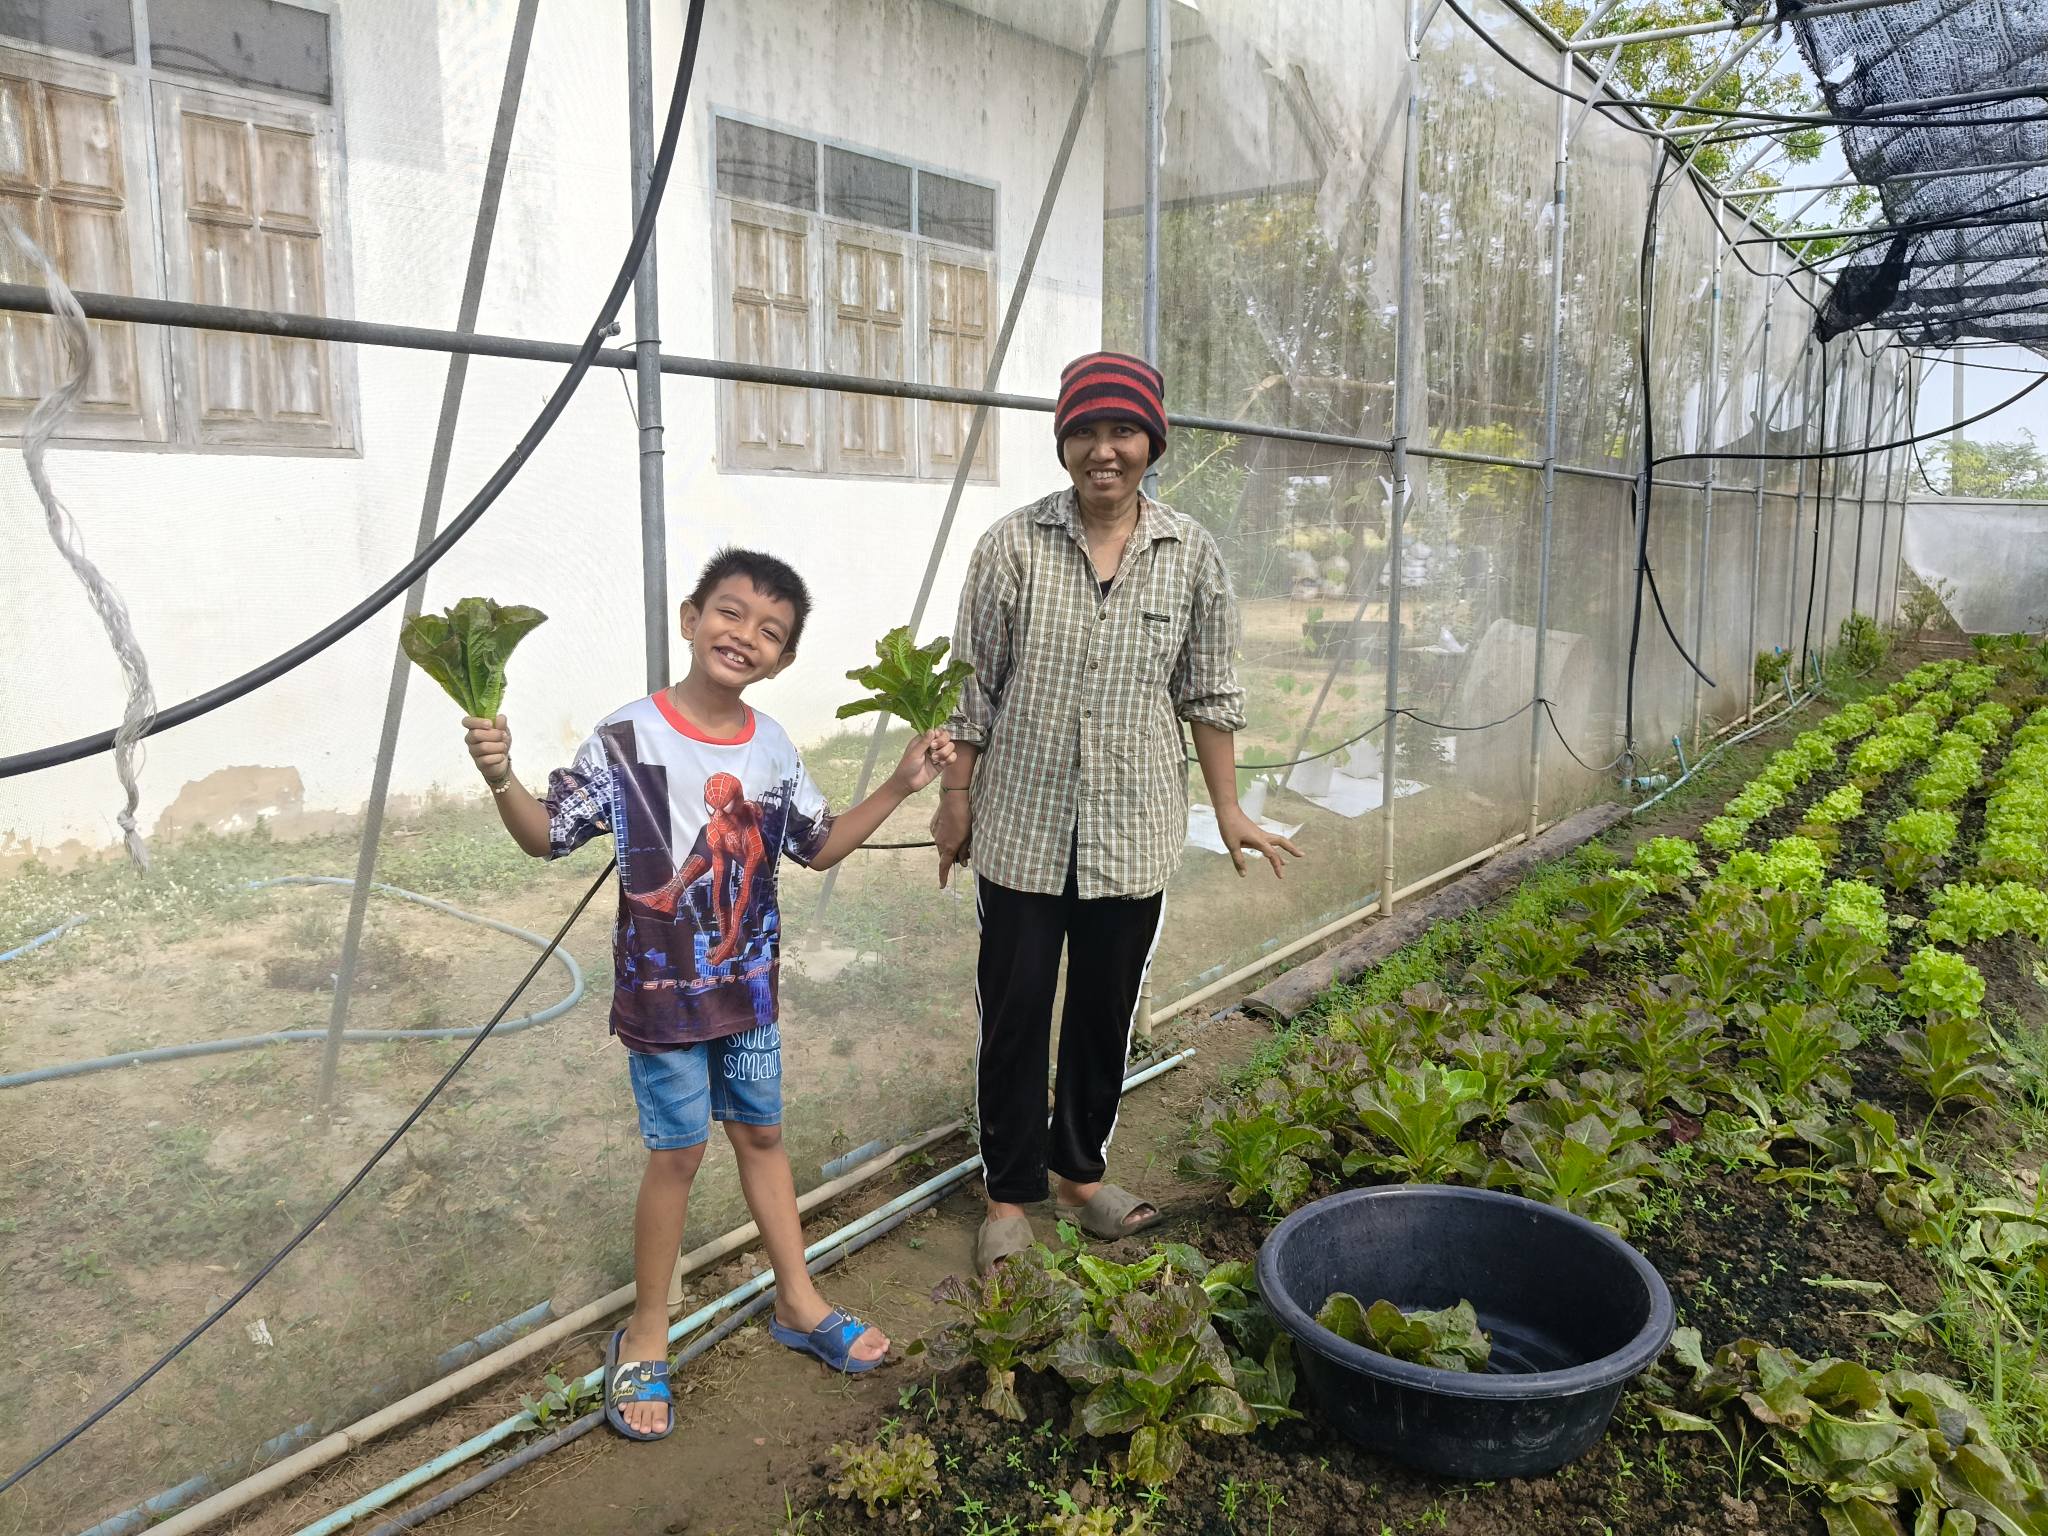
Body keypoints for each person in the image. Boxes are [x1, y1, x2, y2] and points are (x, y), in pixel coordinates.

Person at [462, 549, 953, 1440]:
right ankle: (647, 1332)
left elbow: (819, 845)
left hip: (748, 994)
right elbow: (547, 835)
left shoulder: (772, 749)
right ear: (691, 618)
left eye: (770, 630)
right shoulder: (628, 738)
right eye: (730, 613)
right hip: (665, 1001)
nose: (744, 635)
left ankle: (799, 1301)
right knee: (679, 1155)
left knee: (762, 1137)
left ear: (783, 660)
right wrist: (501, 774)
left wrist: (902, 782)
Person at [933, 351, 1302, 1274]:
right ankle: (1008, 1196)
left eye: (1124, 431)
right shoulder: (1012, 546)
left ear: (1152, 443)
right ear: (1064, 444)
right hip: (1020, 828)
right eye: (1086, 432)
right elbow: (972, 691)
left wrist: (1228, 807)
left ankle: (1079, 1178)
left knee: (1103, 1014)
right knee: (1014, 1014)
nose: (1105, 450)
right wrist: (955, 799)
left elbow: (1208, 693)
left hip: (1132, 831)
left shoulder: (1191, 555)